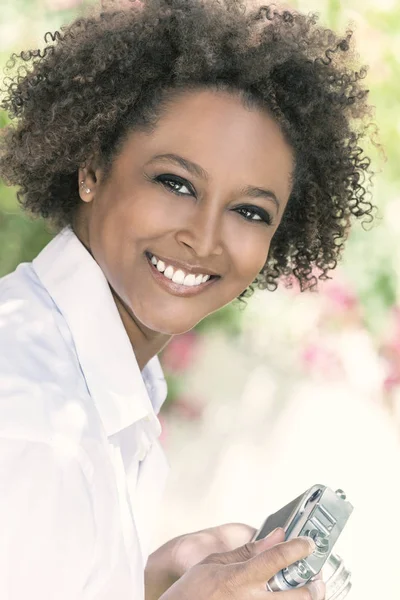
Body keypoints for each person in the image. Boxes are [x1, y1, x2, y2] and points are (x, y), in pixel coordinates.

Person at [0, 0, 376, 599]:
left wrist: (159, 574)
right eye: (175, 183)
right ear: (92, 167)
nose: (203, 237)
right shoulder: (40, 427)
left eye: (250, 211)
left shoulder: (96, 380)